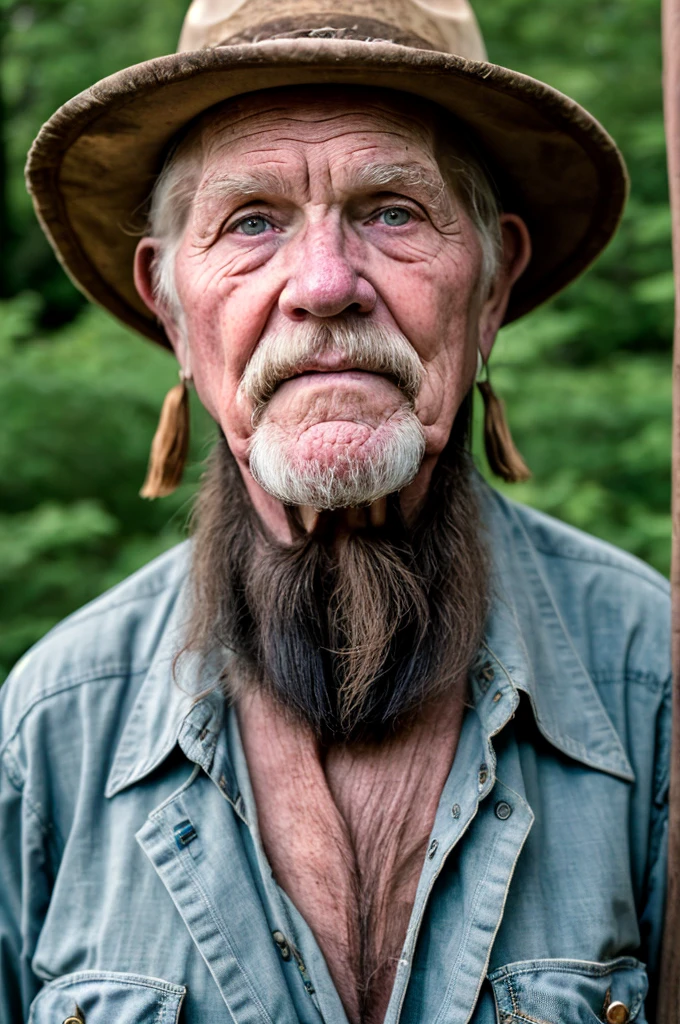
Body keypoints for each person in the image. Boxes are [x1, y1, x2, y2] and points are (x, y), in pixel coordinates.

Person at [0, 0, 669, 1020]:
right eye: (252, 220)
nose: (323, 284)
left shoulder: (652, 677)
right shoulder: (51, 728)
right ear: (169, 305)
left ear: (489, 290)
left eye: (391, 210)